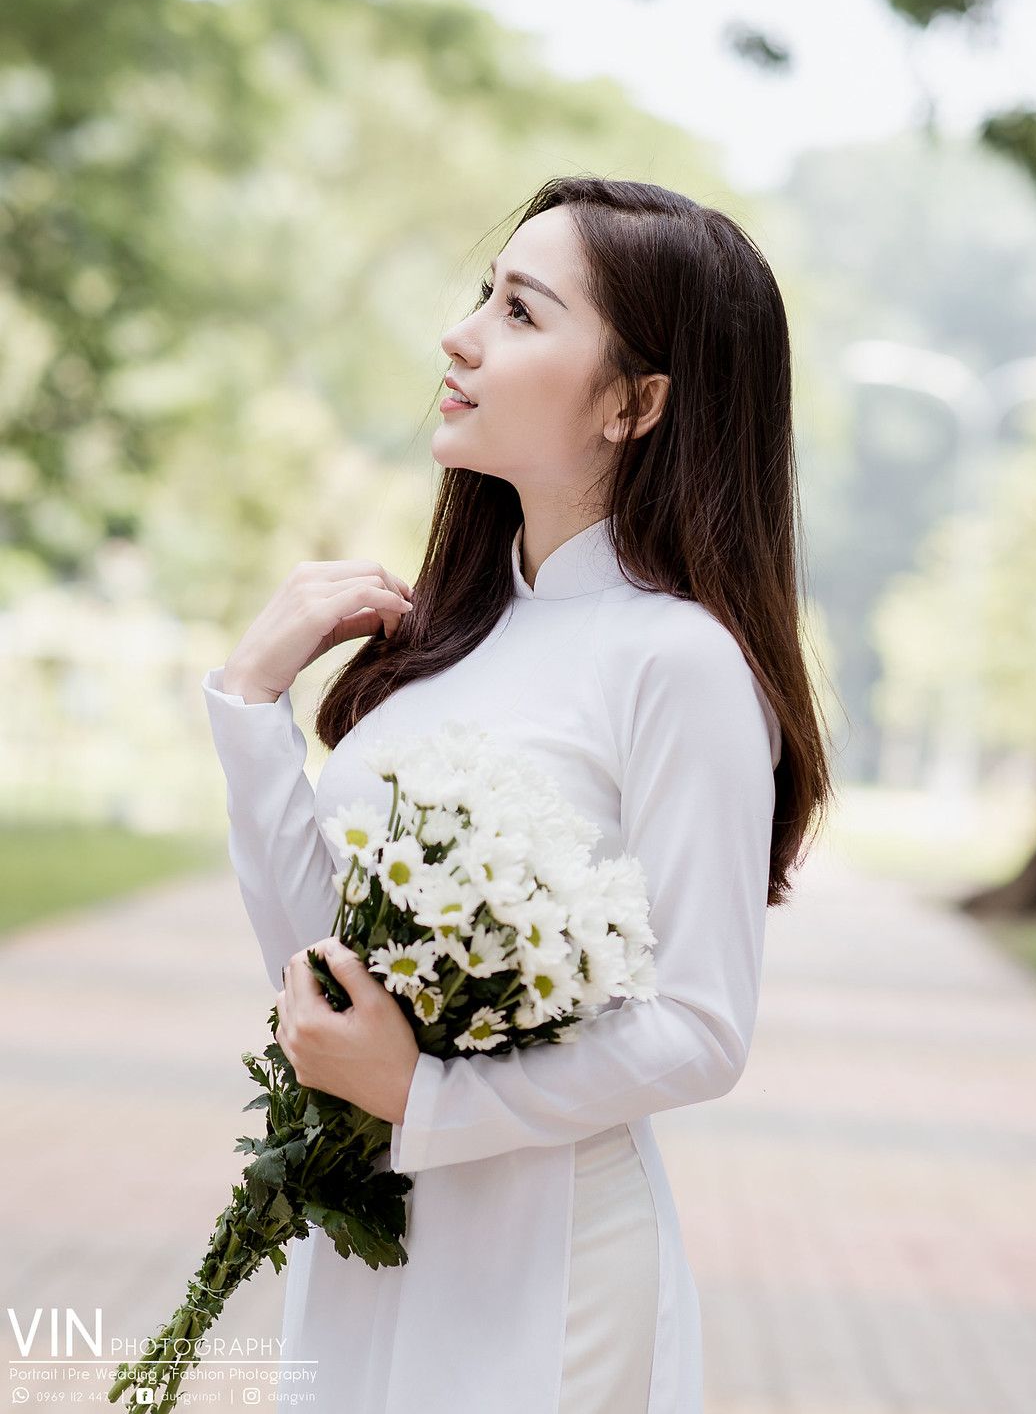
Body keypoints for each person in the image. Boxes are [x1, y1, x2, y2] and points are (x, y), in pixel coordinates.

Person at [201, 175, 834, 1413]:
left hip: (547, 1274)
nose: (462, 332)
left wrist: (429, 1096)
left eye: (521, 311)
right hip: (370, 1247)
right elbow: (315, 972)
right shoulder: (441, 643)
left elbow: (702, 1030)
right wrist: (249, 706)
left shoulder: (681, 662)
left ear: (634, 402)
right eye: (483, 296)